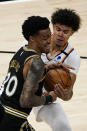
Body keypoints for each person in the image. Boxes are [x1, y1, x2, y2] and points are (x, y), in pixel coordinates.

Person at [0, 15, 62, 131]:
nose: (49, 41)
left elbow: (20, 77)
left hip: (3, 110)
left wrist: (46, 67)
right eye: (44, 38)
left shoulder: (21, 51)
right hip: (13, 119)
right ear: (32, 38)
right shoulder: (37, 63)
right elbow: (25, 101)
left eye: (50, 36)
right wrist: (49, 98)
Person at [32, 8, 81, 131]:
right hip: (21, 89)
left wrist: (65, 94)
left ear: (72, 33)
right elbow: (18, 70)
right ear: (53, 27)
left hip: (45, 98)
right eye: (58, 29)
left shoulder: (73, 57)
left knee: (63, 126)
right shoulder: (36, 40)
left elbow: (69, 92)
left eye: (65, 31)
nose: (60, 34)